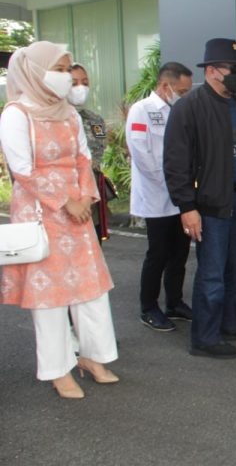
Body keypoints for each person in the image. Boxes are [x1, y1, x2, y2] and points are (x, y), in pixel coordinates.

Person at [0, 41, 118, 398]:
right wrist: (65, 201)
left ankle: (94, 357)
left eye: (69, 70)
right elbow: (21, 170)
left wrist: (84, 198)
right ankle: (58, 369)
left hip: (78, 212)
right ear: (36, 72)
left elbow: (84, 159)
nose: (68, 77)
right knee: (50, 299)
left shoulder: (68, 113)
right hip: (42, 213)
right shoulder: (16, 113)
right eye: (61, 69)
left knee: (90, 290)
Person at [164, 38, 236, 358]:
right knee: (211, 272)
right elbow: (176, 163)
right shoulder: (189, 107)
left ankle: (231, 322)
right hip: (209, 205)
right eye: (233, 69)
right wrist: (187, 208)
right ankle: (205, 338)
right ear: (211, 71)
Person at [126, 62, 194, 332]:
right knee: (158, 254)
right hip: (156, 196)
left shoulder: (180, 110)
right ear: (166, 86)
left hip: (180, 197)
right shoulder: (142, 110)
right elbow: (141, 154)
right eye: (182, 90)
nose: (185, 95)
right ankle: (149, 307)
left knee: (180, 253)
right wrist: (173, 183)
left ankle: (175, 303)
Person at [67, 63, 111, 242]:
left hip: (90, 192)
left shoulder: (95, 119)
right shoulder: (53, 120)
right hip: (65, 194)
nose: (81, 87)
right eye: (74, 82)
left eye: (85, 82)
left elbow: (99, 150)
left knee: (93, 242)